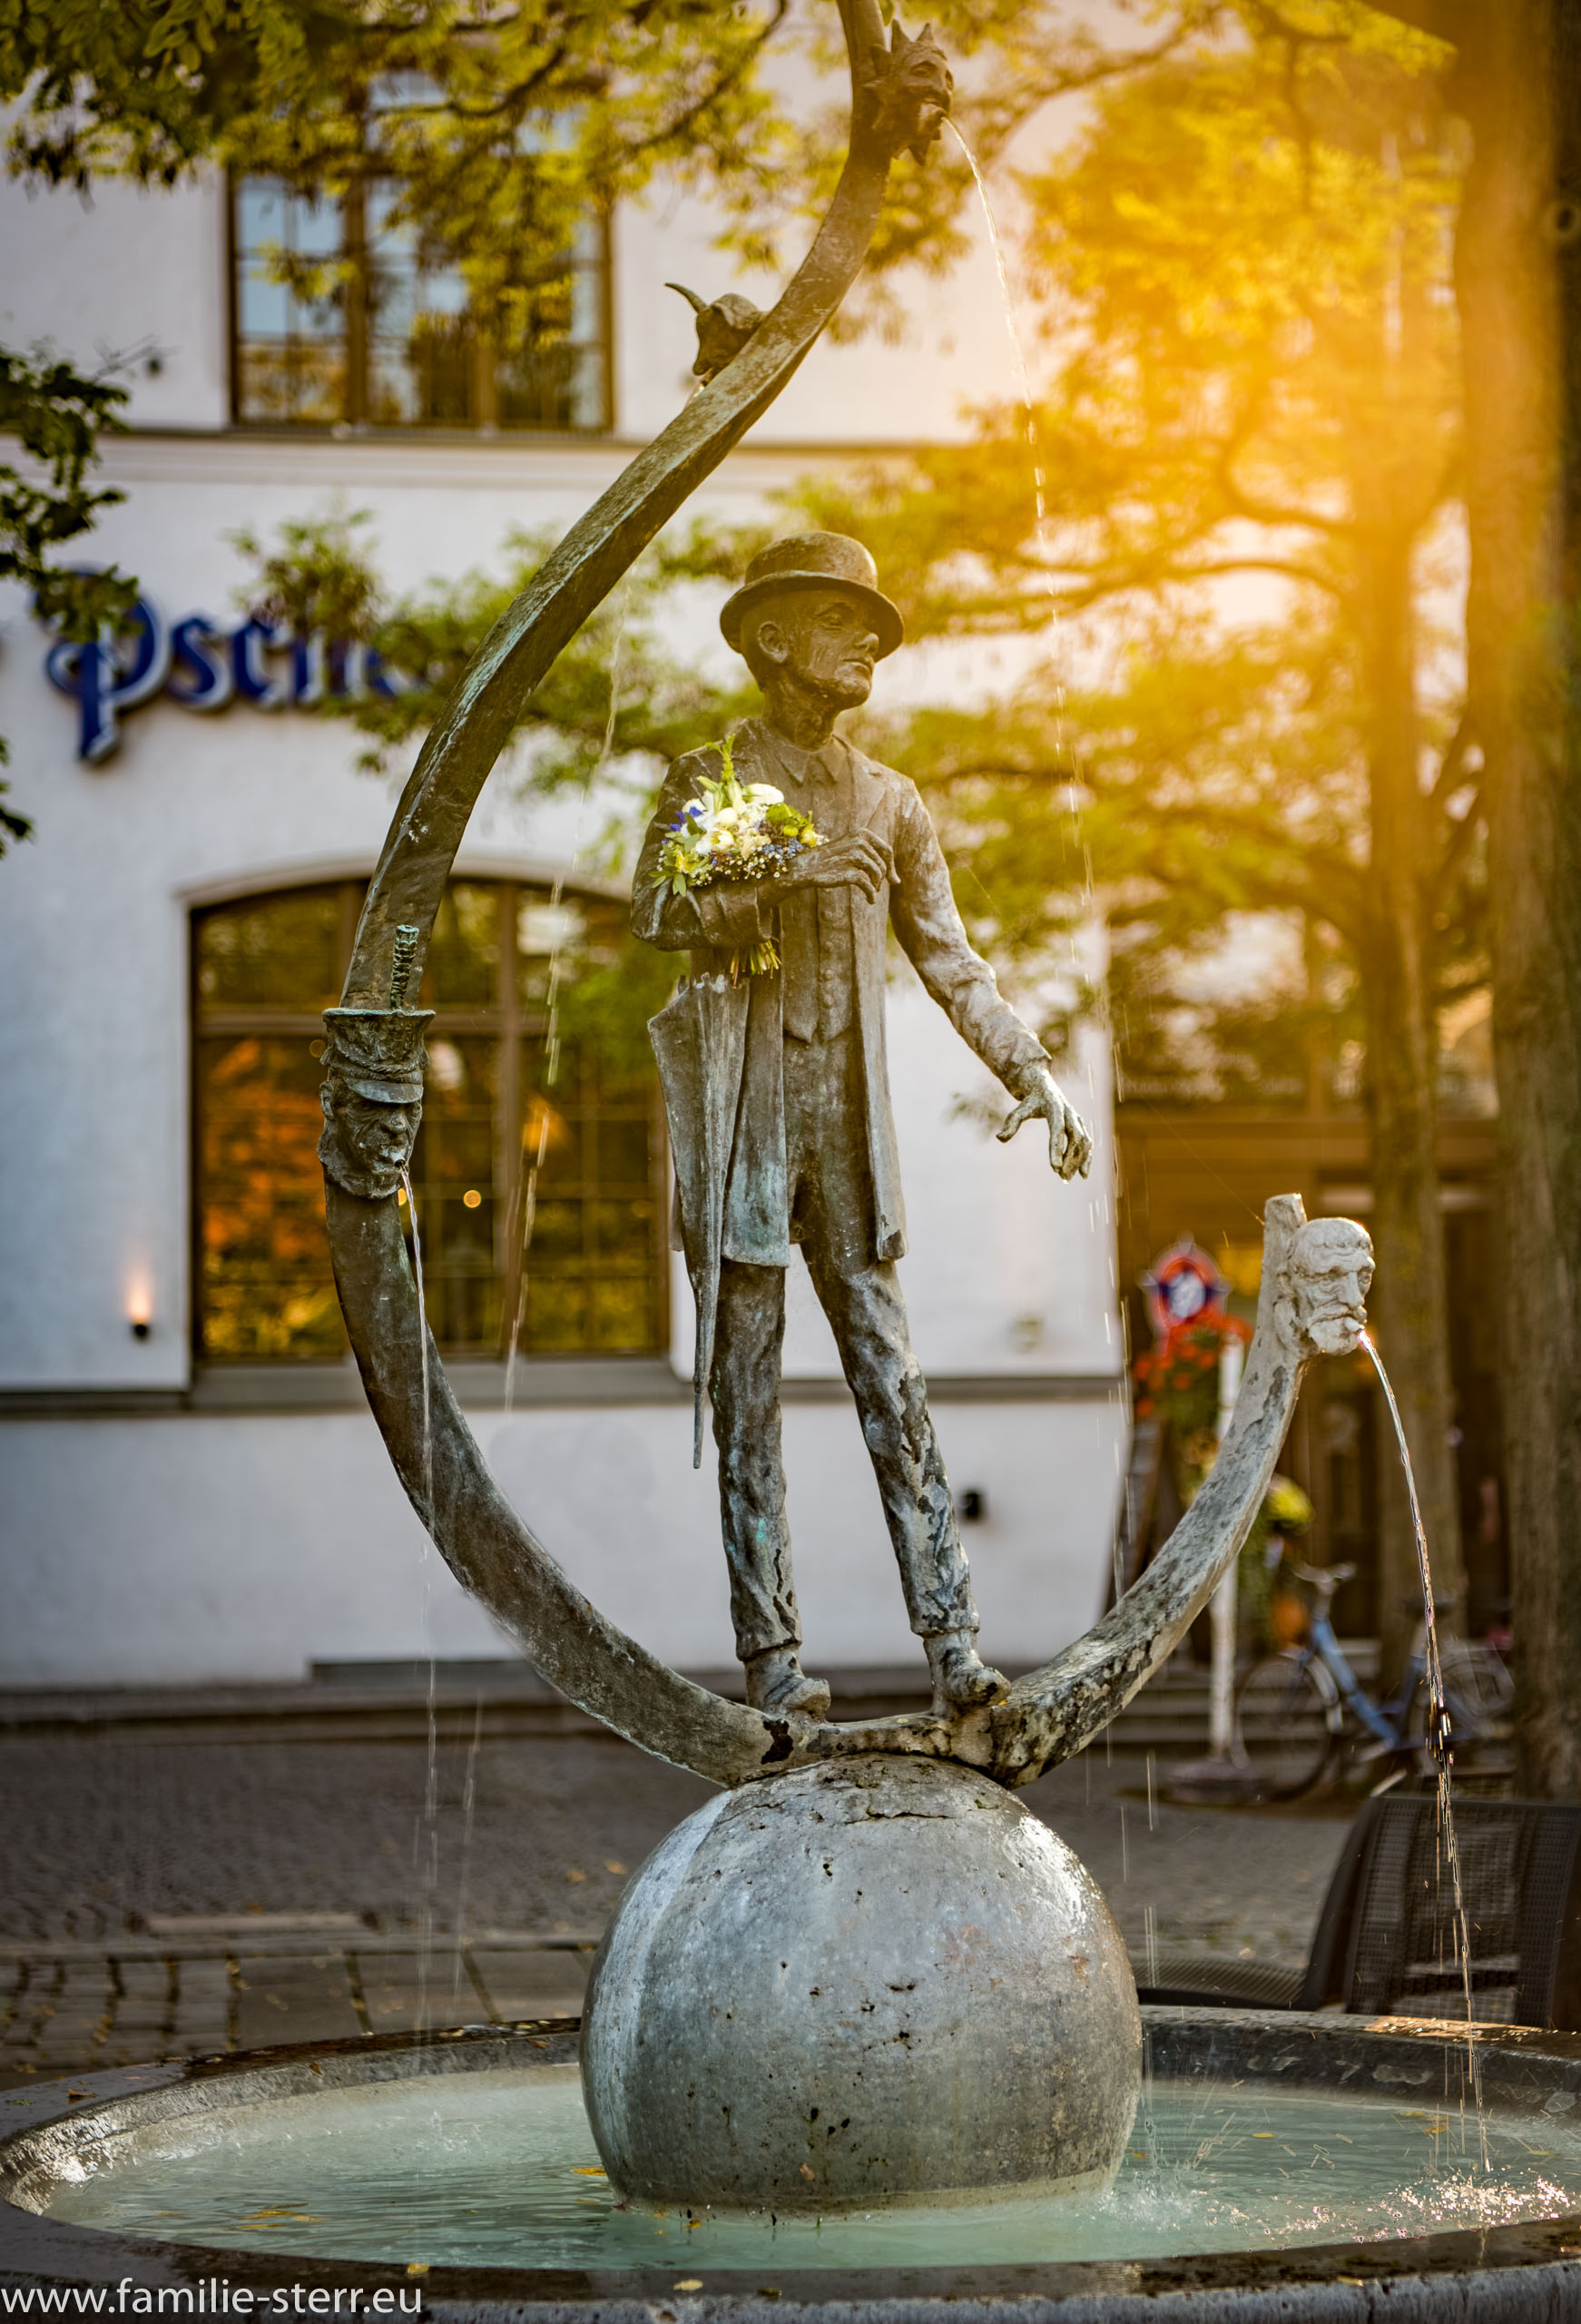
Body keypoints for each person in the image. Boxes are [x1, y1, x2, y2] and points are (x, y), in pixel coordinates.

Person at [633, 533, 1093, 1720]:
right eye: (845, 623)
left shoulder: (891, 802)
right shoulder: (712, 778)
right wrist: (752, 879)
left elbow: (951, 958)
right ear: (774, 637)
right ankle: (772, 1659)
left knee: (892, 1379)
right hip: (746, 1123)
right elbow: (654, 911)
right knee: (745, 1391)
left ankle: (952, 1647)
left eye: (875, 630)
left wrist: (1030, 1070)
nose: (869, 646)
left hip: (848, 1133)